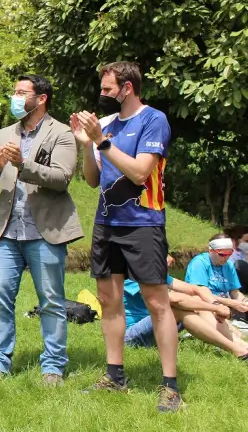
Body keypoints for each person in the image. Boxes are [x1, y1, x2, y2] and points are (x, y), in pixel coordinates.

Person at [70, 61, 183, 412]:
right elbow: (91, 180)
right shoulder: (106, 126)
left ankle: (170, 386)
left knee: (157, 302)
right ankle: (115, 376)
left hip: (143, 224)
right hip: (107, 225)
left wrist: (101, 141)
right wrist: (85, 145)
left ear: (127, 88)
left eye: (107, 90)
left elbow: (139, 173)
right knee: (108, 299)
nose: (102, 96)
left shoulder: (153, 120)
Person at [0, 75, 83, 386]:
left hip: (44, 232)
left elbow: (63, 178)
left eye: (22, 93)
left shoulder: (61, 133)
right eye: (15, 92)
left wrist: (23, 165)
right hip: (5, 232)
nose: (16, 97)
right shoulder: (4, 133)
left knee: (51, 300)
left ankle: (52, 367)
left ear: (41, 98)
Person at [123, 271, 248, 360]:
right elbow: (173, 299)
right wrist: (215, 308)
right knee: (178, 309)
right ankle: (236, 351)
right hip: (131, 336)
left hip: (157, 327)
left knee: (197, 303)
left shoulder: (154, 272)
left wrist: (216, 304)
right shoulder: (130, 275)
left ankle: (242, 345)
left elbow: (197, 290)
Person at [225, 225, 248, 293]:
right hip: (236, 284)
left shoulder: (243, 252)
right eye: (246, 241)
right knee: (239, 264)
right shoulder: (227, 253)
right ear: (235, 239)